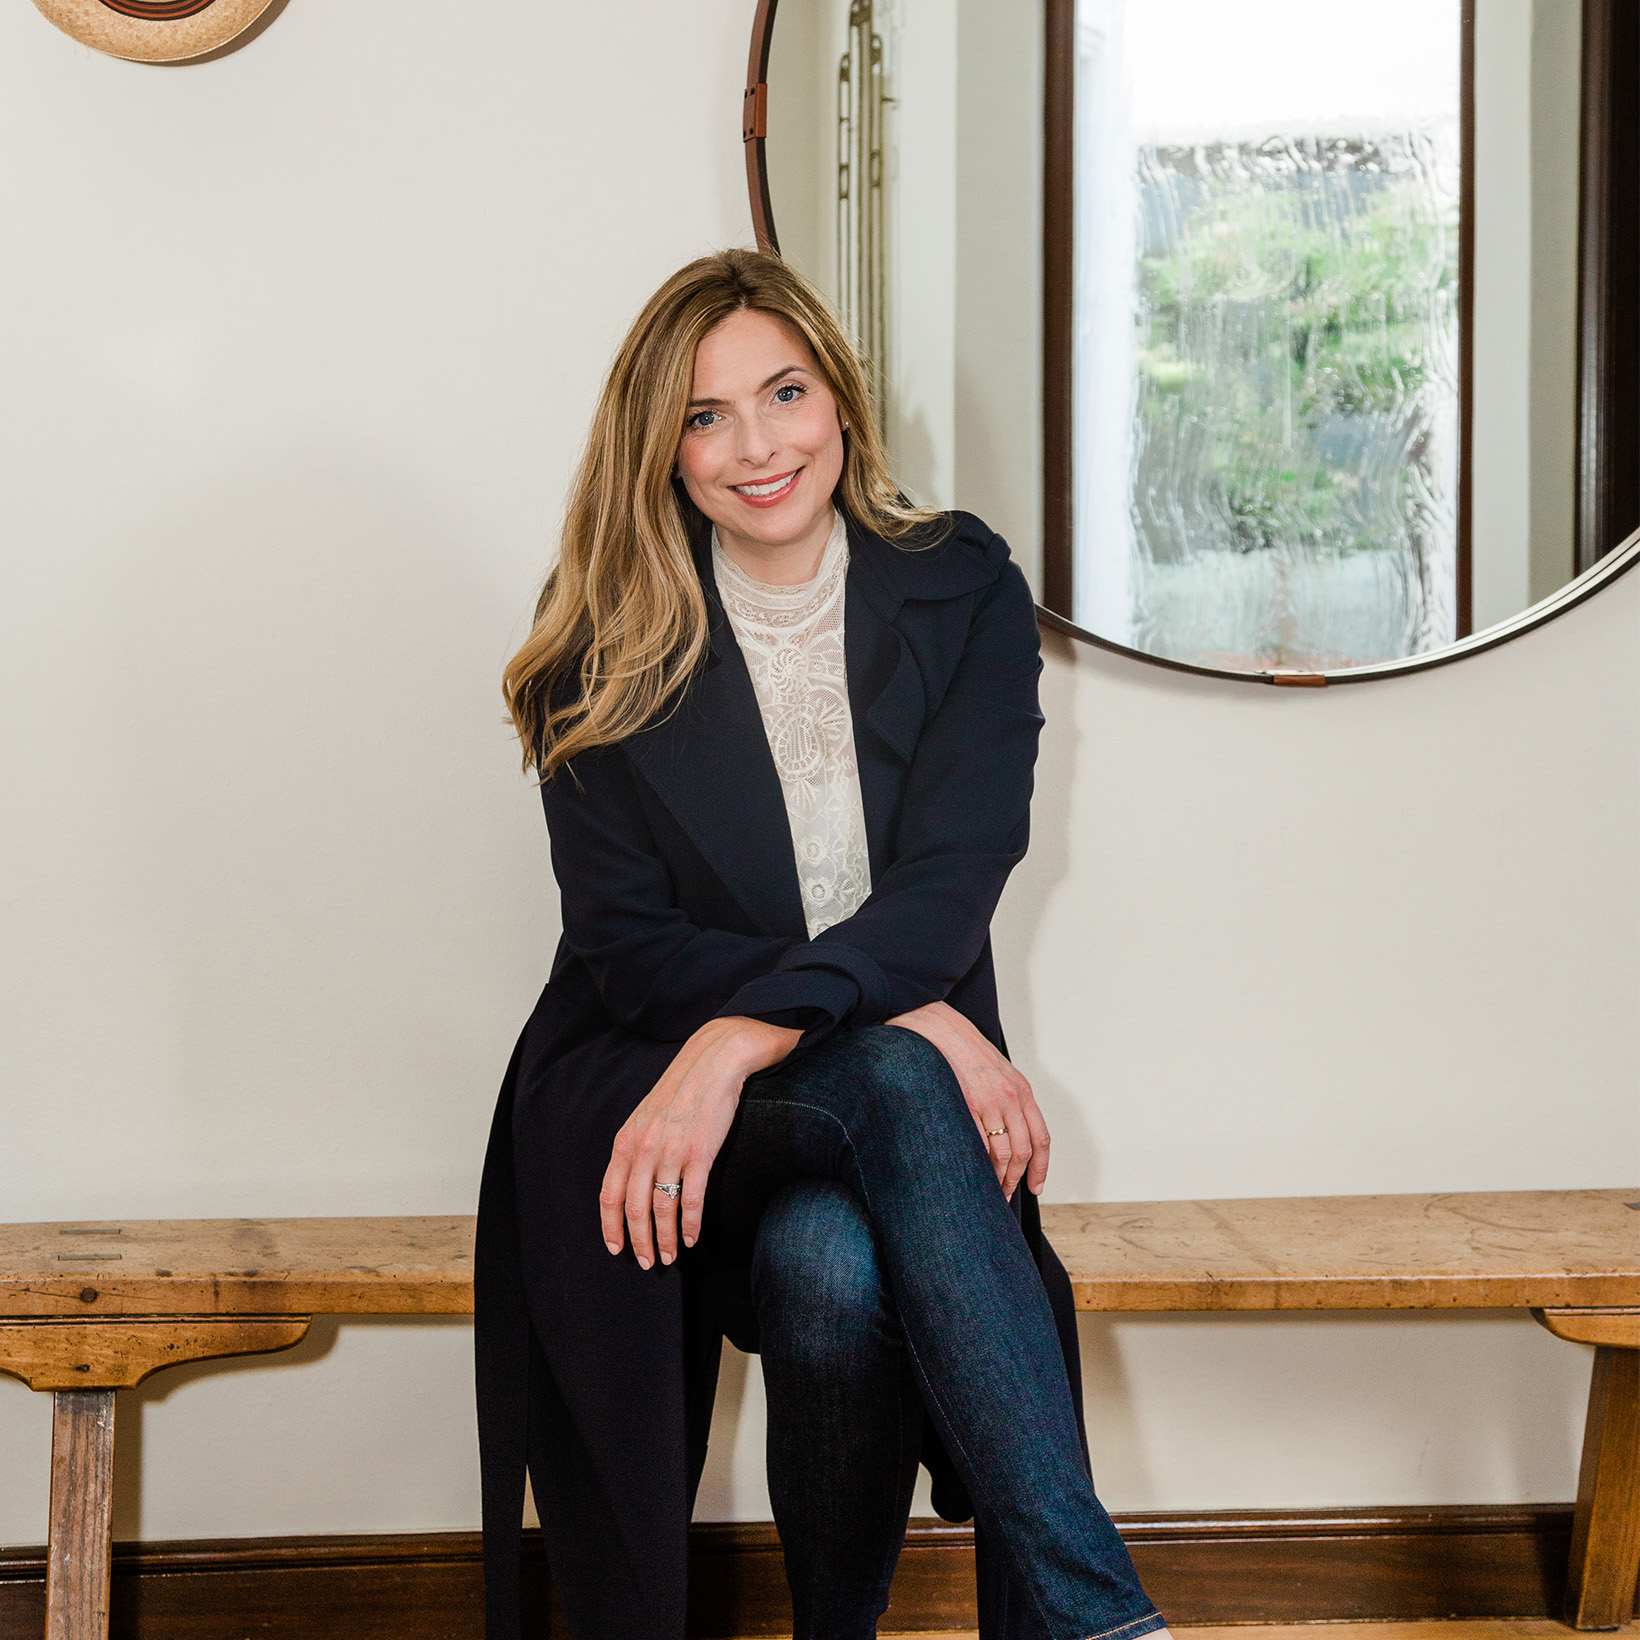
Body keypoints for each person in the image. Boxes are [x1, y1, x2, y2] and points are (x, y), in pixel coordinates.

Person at [476, 248, 1169, 1640]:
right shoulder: (591, 655)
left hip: (799, 1097)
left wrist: (752, 1032)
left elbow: (952, 885)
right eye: (705, 415)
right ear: (660, 453)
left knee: (828, 1264)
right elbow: (628, 952)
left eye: (782, 392)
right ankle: (1103, 1617)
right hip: (643, 1095)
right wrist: (903, 1017)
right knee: (900, 1086)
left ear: (837, 401)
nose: (757, 445)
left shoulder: (961, 585)